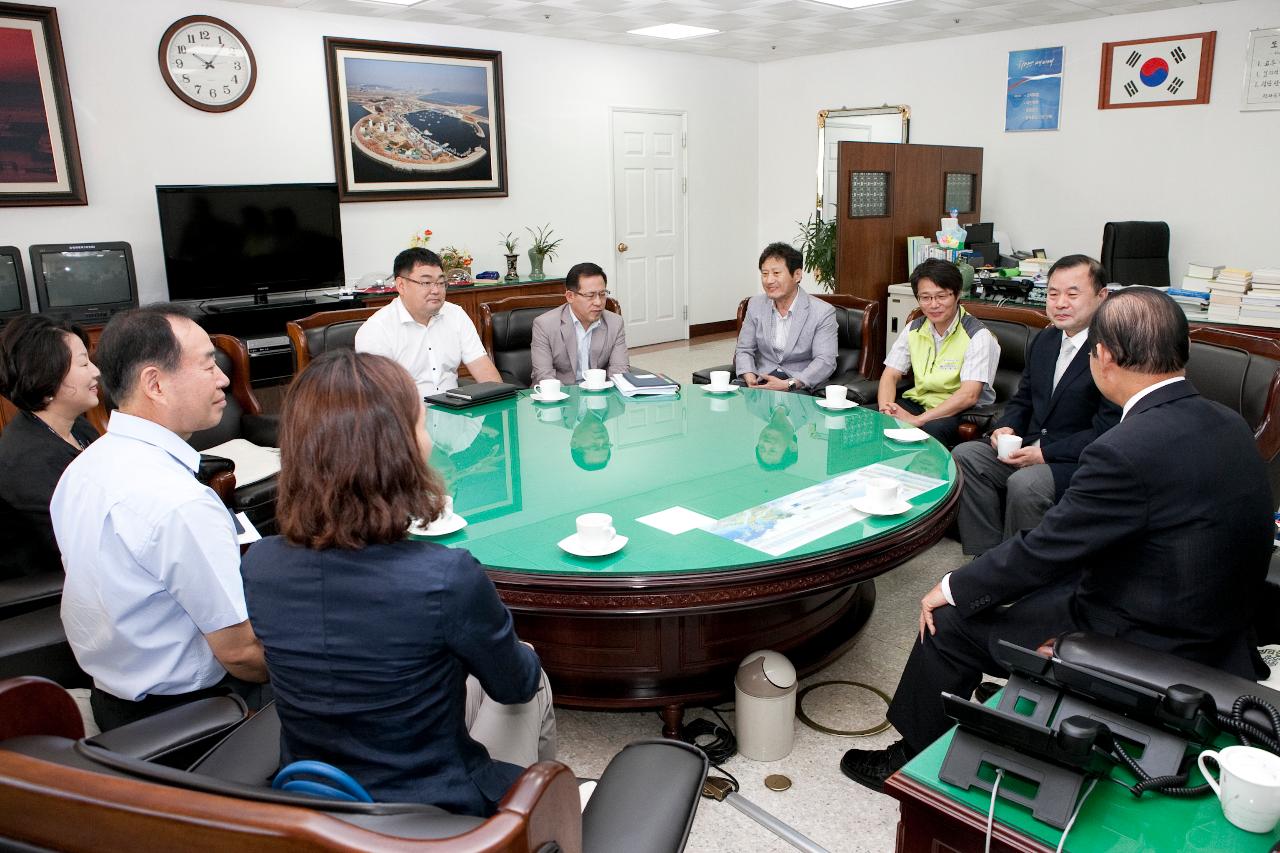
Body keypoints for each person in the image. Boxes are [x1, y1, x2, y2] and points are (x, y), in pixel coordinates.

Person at [840, 288, 1274, 791]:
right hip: (1215, 622)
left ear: (1105, 357)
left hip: (1143, 635)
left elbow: (1045, 549)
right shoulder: (1229, 422)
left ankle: (910, 763)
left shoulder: (1124, 449)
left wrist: (953, 584)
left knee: (950, 621)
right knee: (1017, 589)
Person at [241, 350, 556, 817]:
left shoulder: (260, 564)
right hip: (431, 809)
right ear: (400, 449)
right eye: (422, 424)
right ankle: (533, 822)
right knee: (531, 674)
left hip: (314, 797)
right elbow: (515, 686)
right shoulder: (446, 576)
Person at [52, 305, 268, 731]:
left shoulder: (84, 468)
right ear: (155, 383)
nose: (223, 377)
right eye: (208, 364)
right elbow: (241, 655)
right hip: (195, 713)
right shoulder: (180, 503)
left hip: (113, 698)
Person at [951, 255, 1120, 556]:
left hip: (1075, 461)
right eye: (1053, 294)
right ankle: (986, 557)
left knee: (1026, 485)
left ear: (1101, 296)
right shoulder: (1046, 340)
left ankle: (1020, 571)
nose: (1060, 303)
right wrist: (1006, 426)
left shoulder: (1112, 350)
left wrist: (1045, 453)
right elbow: (1024, 398)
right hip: (1029, 446)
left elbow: (1107, 429)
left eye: (1072, 293)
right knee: (966, 456)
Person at [0, 315, 101, 579]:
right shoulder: (28, 460)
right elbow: (85, 544)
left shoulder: (78, 427)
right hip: (54, 585)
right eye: (83, 363)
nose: (95, 371)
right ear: (48, 375)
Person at [877, 259, 999, 446]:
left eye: (941, 296)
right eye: (925, 297)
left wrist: (919, 420)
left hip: (957, 411)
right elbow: (890, 375)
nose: (933, 305)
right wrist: (886, 410)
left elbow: (969, 395)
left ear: (957, 294)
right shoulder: (914, 328)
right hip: (919, 402)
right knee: (873, 422)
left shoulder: (978, 335)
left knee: (926, 435)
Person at [355, 247, 501, 397]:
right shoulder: (376, 330)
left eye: (441, 282)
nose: (436, 290)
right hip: (407, 416)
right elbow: (379, 400)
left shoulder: (456, 315)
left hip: (455, 412)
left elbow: (486, 373)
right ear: (401, 285)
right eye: (426, 283)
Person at [734, 242, 837, 393]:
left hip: (799, 384)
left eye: (776, 273)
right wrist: (749, 375)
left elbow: (825, 361)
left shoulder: (822, 311)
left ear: (797, 275)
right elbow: (744, 349)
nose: (769, 280)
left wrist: (790, 383)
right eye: (764, 273)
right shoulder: (755, 305)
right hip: (761, 379)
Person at [530, 261, 629, 385]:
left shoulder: (615, 322)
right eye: (590, 295)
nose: (598, 302)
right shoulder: (544, 325)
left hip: (599, 395)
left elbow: (619, 371)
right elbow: (544, 376)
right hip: (559, 396)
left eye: (602, 294)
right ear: (570, 296)